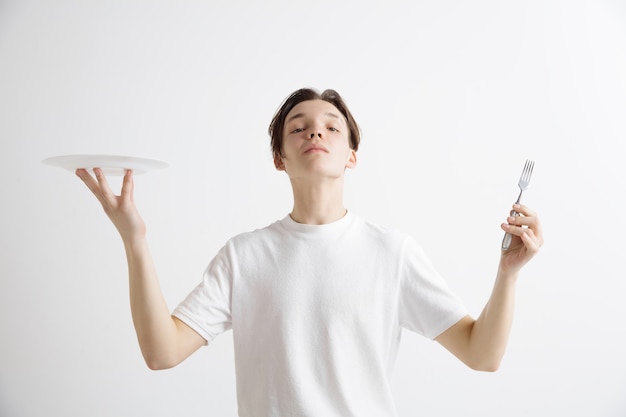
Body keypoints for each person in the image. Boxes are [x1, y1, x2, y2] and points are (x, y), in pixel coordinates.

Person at [76, 88, 543, 417]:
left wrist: (509, 274)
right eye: (298, 128)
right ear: (280, 158)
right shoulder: (244, 256)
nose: (314, 134)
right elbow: (162, 353)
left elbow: (482, 355)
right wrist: (134, 239)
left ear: (352, 155)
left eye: (331, 127)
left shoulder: (392, 252)